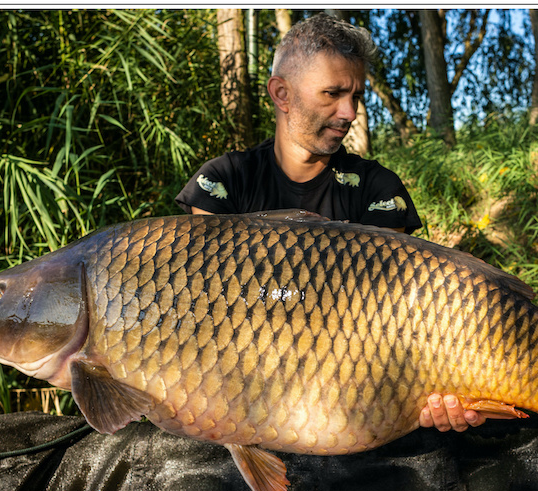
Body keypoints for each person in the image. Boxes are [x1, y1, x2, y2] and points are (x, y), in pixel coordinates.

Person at [175, 13, 486, 434]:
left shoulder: (376, 188)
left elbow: (388, 318)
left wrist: (439, 387)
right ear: (282, 94)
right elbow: (214, 310)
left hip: (354, 391)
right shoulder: (222, 182)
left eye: (356, 95)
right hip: (247, 385)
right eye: (333, 93)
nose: (350, 112)